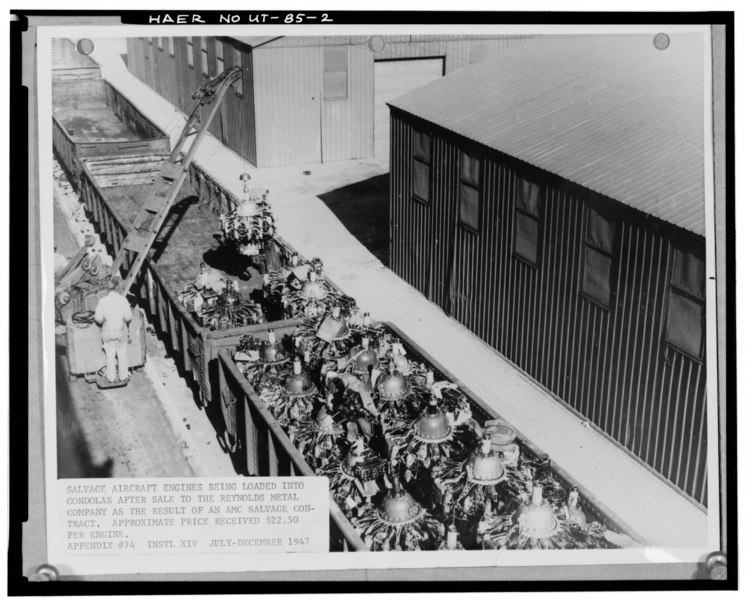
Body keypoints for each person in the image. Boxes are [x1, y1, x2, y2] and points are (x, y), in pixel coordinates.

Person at [94, 276, 133, 383]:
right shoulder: (123, 300)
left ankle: (111, 377)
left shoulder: (103, 301)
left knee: (110, 355)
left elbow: (98, 319)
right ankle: (123, 377)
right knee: (122, 353)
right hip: (121, 332)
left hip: (108, 333)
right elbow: (129, 317)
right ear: (119, 287)